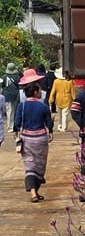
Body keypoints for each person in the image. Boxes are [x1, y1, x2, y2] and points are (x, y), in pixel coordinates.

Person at [13, 69, 53, 202]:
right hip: (41, 139)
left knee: (29, 165)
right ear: (36, 92)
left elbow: (17, 122)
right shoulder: (43, 106)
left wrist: (16, 133)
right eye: (39, 90)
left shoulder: (22, 106)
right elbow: (49, 122)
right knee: (40, 165)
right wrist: (51, 132)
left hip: (27, 139)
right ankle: (35, 191)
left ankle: (33, 193)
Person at [3, 62, 20, 130]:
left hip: (7, 95)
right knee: (15, 110)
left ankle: (9, 126)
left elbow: (2, 86)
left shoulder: (4, 77)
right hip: (16, 95)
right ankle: (13, 125)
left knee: (9, 110)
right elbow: (19, 86)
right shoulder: (17, 76)